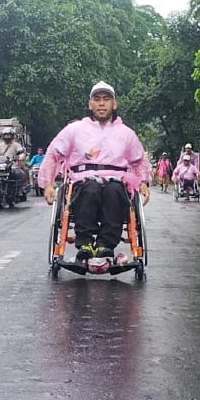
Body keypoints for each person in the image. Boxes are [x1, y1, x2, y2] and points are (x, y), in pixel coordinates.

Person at [41, 81, 151, 265]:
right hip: (83, 183)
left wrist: (143, 183)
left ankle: (104, 245)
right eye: (97, 99)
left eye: (106, 99)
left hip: (116, 183)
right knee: (91, 188)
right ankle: (84, 244)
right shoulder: (74, 130)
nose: (101, 103)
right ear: (89, 104)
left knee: (114, 190)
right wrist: (48, 184)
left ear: (114, 104)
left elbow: (139, 161)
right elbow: (53, 154)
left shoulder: (127, 133)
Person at [0, 126, 28, 192]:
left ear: (12, 136)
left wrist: (21, 157)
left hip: (13, 165)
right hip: (1, 165)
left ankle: (19, 188)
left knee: (19, 173)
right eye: (5, 135)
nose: (7, 137)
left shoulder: (16, 145)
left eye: (9, 135)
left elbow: (21, 152)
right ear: (2, 136)